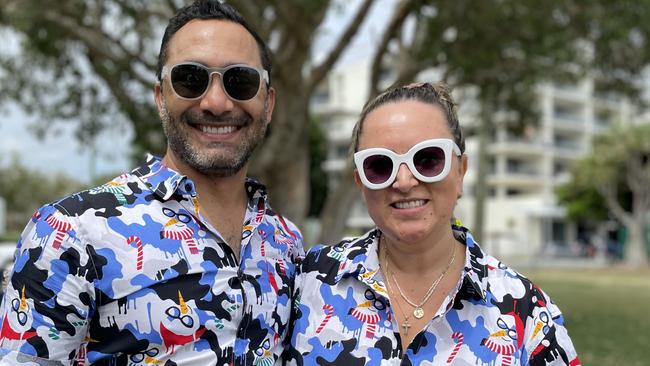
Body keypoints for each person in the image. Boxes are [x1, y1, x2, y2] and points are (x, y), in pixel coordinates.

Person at [0, 1, 304, 364]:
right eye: (190, 79)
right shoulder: (68, 233)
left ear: (268, 104)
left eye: (241, 81)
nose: (217, 102)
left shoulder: (288, 243)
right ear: (160, 96)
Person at [285, 82, 580, 365]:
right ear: (360, 182)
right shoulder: (306, 280)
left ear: (461, 171)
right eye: (380, 166)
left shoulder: (527, 311)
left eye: (427, 160)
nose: (403, 181)